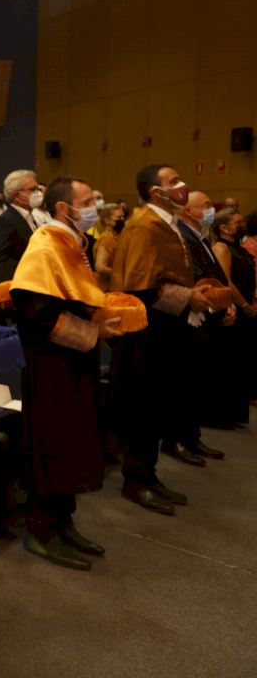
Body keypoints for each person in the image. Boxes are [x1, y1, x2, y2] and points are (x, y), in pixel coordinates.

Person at [10, 177, 121, 571]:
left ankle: (63, 521)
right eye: (86, 201)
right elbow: (36, 312)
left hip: (75, 362)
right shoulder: (45, 245)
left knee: (74, 442)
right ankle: (42, 528)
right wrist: (94, 332)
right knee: (54, 444)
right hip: (52, 366)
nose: (93, 207)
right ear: (63, 208)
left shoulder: (74, 242)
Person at [110, 164, 205, 514]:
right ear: (155, 191)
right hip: (146, 332)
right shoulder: (144, 225)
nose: (181, 185)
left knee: (157, 405)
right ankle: (136, 479)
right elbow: (141, 286)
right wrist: (189, 297)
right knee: (144, 408)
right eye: (173, 181)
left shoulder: (167, 222)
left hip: (165, 329)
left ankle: (148, 474)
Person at [179, 193, 247, 430]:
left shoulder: (202, 237)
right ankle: (191, 431)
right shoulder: (184, 237)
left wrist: (228, 304)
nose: (212, 209)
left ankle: (199, 428)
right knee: (199, 373)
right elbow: (199, 276)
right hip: (197, 309)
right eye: (207, 205)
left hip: (214, 308)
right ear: (189, 211)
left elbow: (217, 276)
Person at [0, 169, 42, 286]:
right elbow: (0, 263)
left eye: (38, 189)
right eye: (33, 189)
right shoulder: (5, 221)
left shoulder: (30, 216)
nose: (38, 193)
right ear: (17, 195)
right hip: (22, 286)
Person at [92, 203, 125, 291]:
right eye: (119, 217)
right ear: (107, 220)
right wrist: (120, 274)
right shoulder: (107, 238)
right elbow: (100, 267)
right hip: (107, 289)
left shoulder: (118, 237)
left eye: (123, 217)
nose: (122, 220)